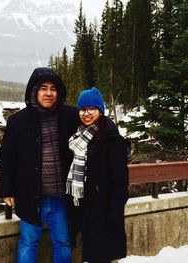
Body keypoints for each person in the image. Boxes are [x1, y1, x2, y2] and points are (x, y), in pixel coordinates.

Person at [0, 67, 78, 263]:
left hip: (62, 197)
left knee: (63, 242)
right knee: (28, 242)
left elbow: (97, 123)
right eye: (43, 88)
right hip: (31, 196)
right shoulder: (18, 121)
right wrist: (7, 189)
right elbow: (7, 157)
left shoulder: (70, 116)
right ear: (33, 91)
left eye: (53, 88)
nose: (49, 93)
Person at [66, 87, 129, 263]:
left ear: (100, 111)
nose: (86, 114)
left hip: (105, 210)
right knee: (94, 255)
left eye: (91, 109)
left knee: (104, 256)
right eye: (83, 109)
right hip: (87, 208)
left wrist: (114, 213)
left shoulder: (111, 138)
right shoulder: (78, 136)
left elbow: (121, 181)